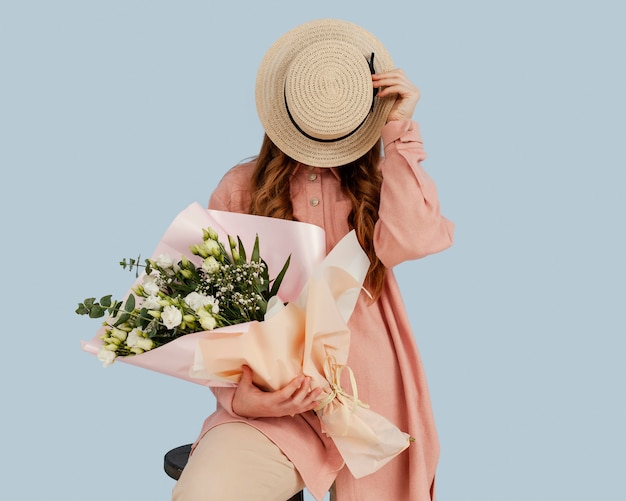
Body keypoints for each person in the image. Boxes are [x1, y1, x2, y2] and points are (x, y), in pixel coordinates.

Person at [172, 18, 454, 501]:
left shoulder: (382, 181)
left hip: (369, 396)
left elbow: (414, 238)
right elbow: (211, 316)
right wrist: (242, 396)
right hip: (273, 404)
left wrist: (399, 132)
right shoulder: (241, 188)